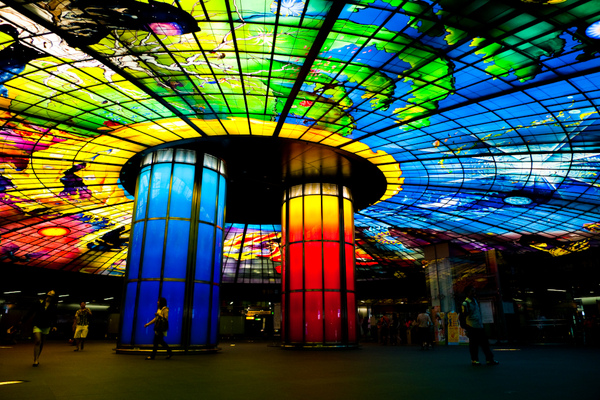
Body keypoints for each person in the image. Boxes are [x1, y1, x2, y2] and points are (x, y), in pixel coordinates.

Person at [461, 286, 499, 366]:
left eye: (474, 290)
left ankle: (489, 359)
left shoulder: (475, 301)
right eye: (472, 291)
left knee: (485, 343)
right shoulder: (465, 303)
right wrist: (466, 328)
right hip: (471, 326)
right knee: (474, 344)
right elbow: (463, 316)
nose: (474, 292)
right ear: (468, 293)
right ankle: (474, 360)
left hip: (479, 325)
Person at [19, 290, 58, 366]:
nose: (50, 294)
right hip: (37, 324)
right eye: (50, 292)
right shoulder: (39, 302)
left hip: (46, 326)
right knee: (38, 341)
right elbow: (31, 311)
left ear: (53, 297)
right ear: (47, 294)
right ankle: (35, 360)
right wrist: (23, 320)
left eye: (52, 294)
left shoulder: (53, 305)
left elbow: (54, 316)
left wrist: (54, 325)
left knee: (42, 343)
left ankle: (37, 357)